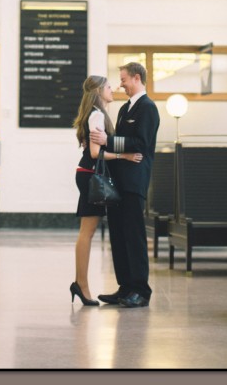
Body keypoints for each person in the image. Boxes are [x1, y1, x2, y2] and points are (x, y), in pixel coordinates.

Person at [89, 61, 160, 308]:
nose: (121, 84)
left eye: (124, 79)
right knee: (118, 235)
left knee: (134, 236)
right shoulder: (124, 110)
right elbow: (119, 141)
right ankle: (125, 287)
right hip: (118, 182)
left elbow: (140, 143)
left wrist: (109, 140)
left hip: (134, 182)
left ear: (137, 78)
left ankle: (141, 290)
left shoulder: (148, 108)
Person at [71, 75, 143, 307]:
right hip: (92, 175)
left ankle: (79, 283)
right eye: (109, 86)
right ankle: (81, 285)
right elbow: (94, 152)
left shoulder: (95, 113)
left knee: (86, 232)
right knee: (87, 233)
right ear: (99, 91)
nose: (113, 89)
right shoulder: (97, 114)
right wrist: (125, 155)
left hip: (87, 174)